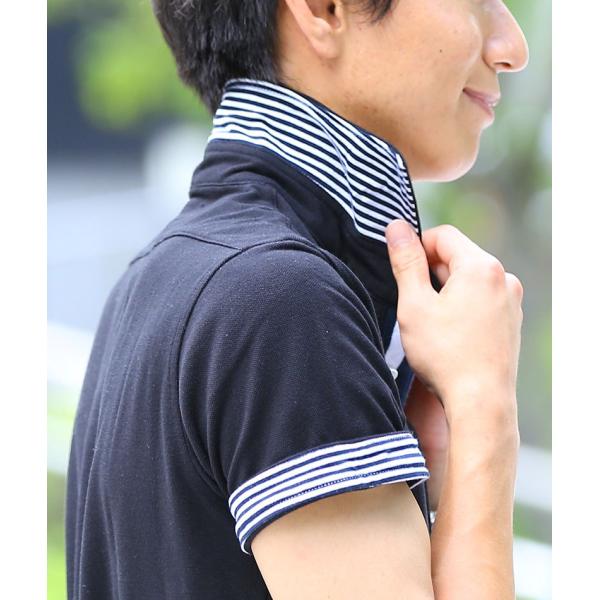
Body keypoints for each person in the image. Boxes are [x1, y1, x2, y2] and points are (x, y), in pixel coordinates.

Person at [65, 0, 529, 598]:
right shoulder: (283, 304)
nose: (512, 48)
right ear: (323, 9)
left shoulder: (160, 279)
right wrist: (485, 408)